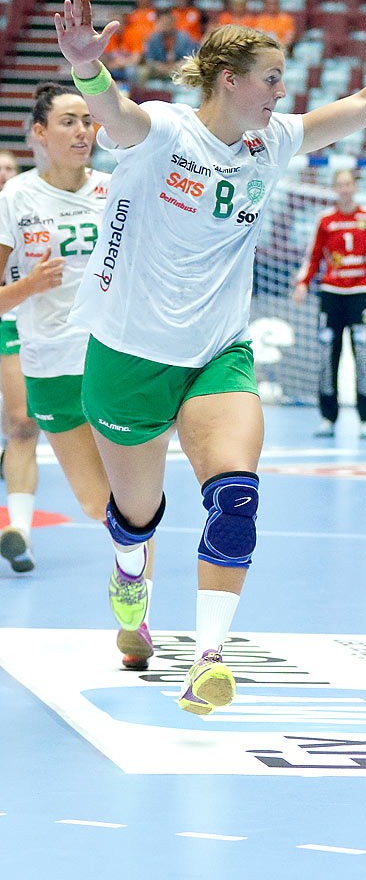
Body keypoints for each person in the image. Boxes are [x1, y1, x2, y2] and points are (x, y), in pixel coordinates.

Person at [53, 0, 366, 714]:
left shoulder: (273, 140)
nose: (283, 92)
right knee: (137, 516)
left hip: (219, 349)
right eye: (272, 79)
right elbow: (112, 113)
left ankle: (210, 658)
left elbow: (365, 105)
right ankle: (130, 573)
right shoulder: (163, 133)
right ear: (229, 81)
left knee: (237, 497)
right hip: (129, 353)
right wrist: (85, 64)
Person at [0, 87, 163, 653]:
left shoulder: (117, 187)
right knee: (99, 504)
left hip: (115, 355)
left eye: (88, 122)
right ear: (38, 134)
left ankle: (137, 610)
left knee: (135, 496)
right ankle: (127, 569)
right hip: (50, 364)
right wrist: (25, 286)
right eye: (67, 122)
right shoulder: (16, 198)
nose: (82, 132)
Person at [291, 169, 366, 438]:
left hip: (360, 295)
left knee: (362, 356)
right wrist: (303, 282)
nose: (345, 189)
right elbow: (312, 256)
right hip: (331, 295)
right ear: (335, 188)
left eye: (349, 184)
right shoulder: (325, 219)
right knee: (328, 356)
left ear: (355, 187)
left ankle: (365, 418)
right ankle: (328, 417)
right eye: (340, 184)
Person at [0, 146, 44, 576]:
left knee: (23, 423)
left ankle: (19, 530)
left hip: (12, 322)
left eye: (11, 168)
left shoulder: (30, 210)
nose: (5, 175)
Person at [137, 12, 197, 85]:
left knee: (191, 69)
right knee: (142, 72)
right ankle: (143, 94)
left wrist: (174, 66)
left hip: (178, 67)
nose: (166, 26)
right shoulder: (154, 38)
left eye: (168, 23)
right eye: (163, 23)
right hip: (159, 68)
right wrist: (160, 67)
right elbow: (150, 59)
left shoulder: (184, 38)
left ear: (174, 24)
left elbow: (189, 58)